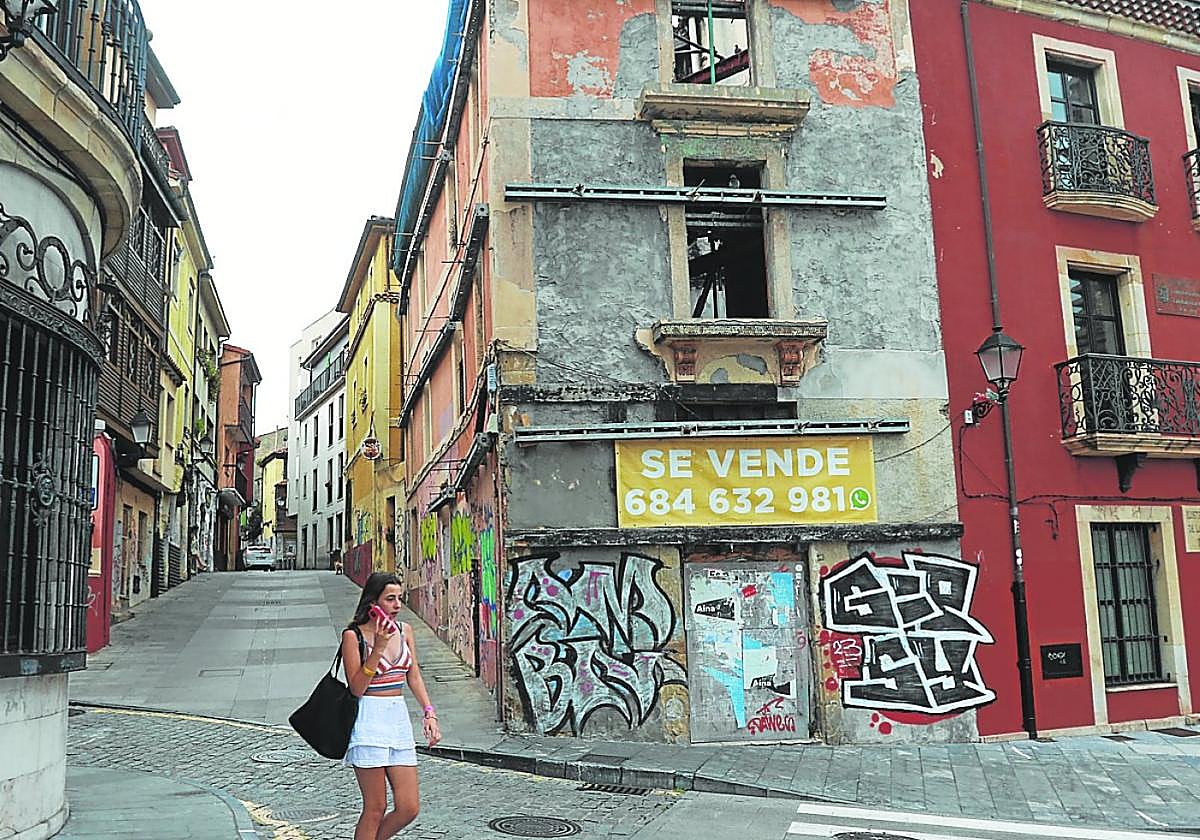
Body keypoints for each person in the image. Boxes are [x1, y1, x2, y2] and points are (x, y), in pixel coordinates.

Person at [342, 572, 441, 840]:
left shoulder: (405, 630)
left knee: (409, 807)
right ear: (373, 602)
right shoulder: (353, 636)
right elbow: (357, 687)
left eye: (399, 598)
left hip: (397, 720)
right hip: (369, 720)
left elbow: (414, 675)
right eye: (390, 599)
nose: (397, 605)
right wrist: (378, 648)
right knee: (375, 808)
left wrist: (429, 713)